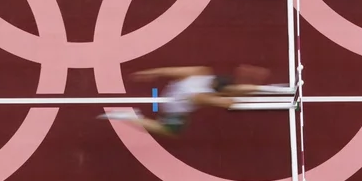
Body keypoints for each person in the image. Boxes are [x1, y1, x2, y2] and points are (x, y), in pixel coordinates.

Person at [97, 65, 291, 137]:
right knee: (171, 130)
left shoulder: (200, 72)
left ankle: (270, 89)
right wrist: (246, 91)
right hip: (173, 107)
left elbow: (168, 71)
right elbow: (228, 104)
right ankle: (130, 116)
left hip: (173, 90)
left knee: (231, 93)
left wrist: (151, 73)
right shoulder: (203, 96)